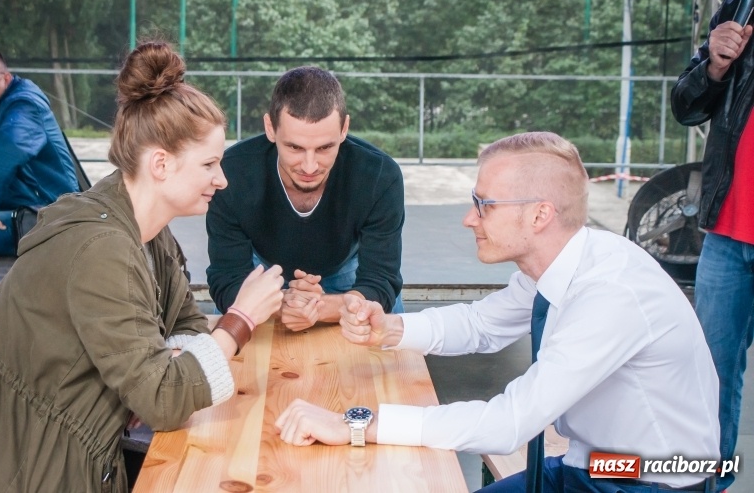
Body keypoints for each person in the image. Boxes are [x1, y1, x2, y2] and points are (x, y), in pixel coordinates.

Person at [275, 132, 720, 492]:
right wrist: (388, 328)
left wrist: (356, 424)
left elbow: (509, 422)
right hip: (592, 466)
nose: (470, 218)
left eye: (484, 204)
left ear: (539, 215)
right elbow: (482, 325)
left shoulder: (610, 294)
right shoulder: (562, 260)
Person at [0, 41, 285, 492]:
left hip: (66, 449)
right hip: (19, 466)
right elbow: (164, 399)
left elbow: (182, 321)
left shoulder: (148, 230)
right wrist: (240, 320)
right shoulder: (103, 249)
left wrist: (173, 364)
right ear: (161, 164)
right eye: (209, 163)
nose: (221, 179)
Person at [206, 66, 404, 332]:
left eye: (324, 147)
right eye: (294, 147)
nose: (310, 167)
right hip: (262, 273)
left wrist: (319, 307)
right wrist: (278, 304)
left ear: (344, 129)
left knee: (387, 343)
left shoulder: (380, 176)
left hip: (348, 271)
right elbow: (226, 279)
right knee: (229, 354)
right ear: (270, 128)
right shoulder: (231, 174)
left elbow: (381, 280)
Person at [671, 0, 754, 491]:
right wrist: (715, 68)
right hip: (727, 232)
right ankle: (707, 485)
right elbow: (685, 105)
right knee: (710, 375)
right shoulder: (734, 10)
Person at [0, 48, 80, 366]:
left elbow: (8, 152)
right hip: (14, 218)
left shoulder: (24, 105)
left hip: (50, 218)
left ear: (5, 78)